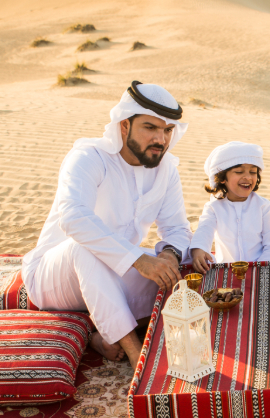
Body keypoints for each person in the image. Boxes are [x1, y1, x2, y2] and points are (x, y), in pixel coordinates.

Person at [22, 81, 191, 366]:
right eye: (150, 127)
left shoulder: (165, 170)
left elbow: (176, 229)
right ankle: (137, 354)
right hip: (55, 277)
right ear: (124, 126)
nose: (161, 139)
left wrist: (168, 255)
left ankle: (98, 332)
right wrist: (138, 259)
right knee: (85, 248)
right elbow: (73, 217)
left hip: (114, 273)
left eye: (167, 130)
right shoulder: (88, 158)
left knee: (184, 276)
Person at [189, 141, 270, 272]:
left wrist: (259, 268)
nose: (248, 177)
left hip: (260, 269)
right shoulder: (213, 208)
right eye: (239, 171)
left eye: (253, 172)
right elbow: (204, 232)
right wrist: (199, 249)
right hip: (226, 270)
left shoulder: (264, 207)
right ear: (222, 178)